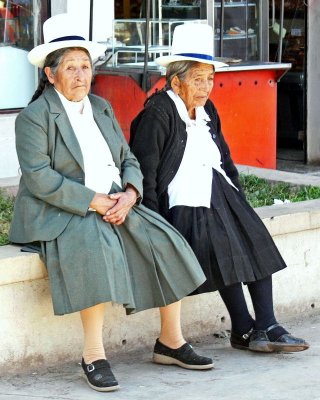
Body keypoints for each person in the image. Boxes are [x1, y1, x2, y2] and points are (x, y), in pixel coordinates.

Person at [9, 14, 214, 393]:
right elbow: (40, 179)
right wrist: (96, 202)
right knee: (95, 243)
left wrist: (131, 194)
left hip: (114, 199)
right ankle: (93, 355)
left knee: (164, 237)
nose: (79, 74)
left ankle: (170, 341)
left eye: (85, 66)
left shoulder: (101, 108)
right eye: (69, 67)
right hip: (61, 209)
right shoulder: (34, 117)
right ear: (51, 75)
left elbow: (129, 160)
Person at [130, 23, 309, 355]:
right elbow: (146, 171)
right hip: (184, 200)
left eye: (210, 78)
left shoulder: (206, 109)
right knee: (224, 246)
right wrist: (154, 222)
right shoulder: (158, 113)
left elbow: (223, 157)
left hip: (217, 189)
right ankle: (244, 327)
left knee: (254, 239)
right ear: (175, 81)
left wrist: (238, 193)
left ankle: (264, 324)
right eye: (198, 79)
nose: (206, 86)